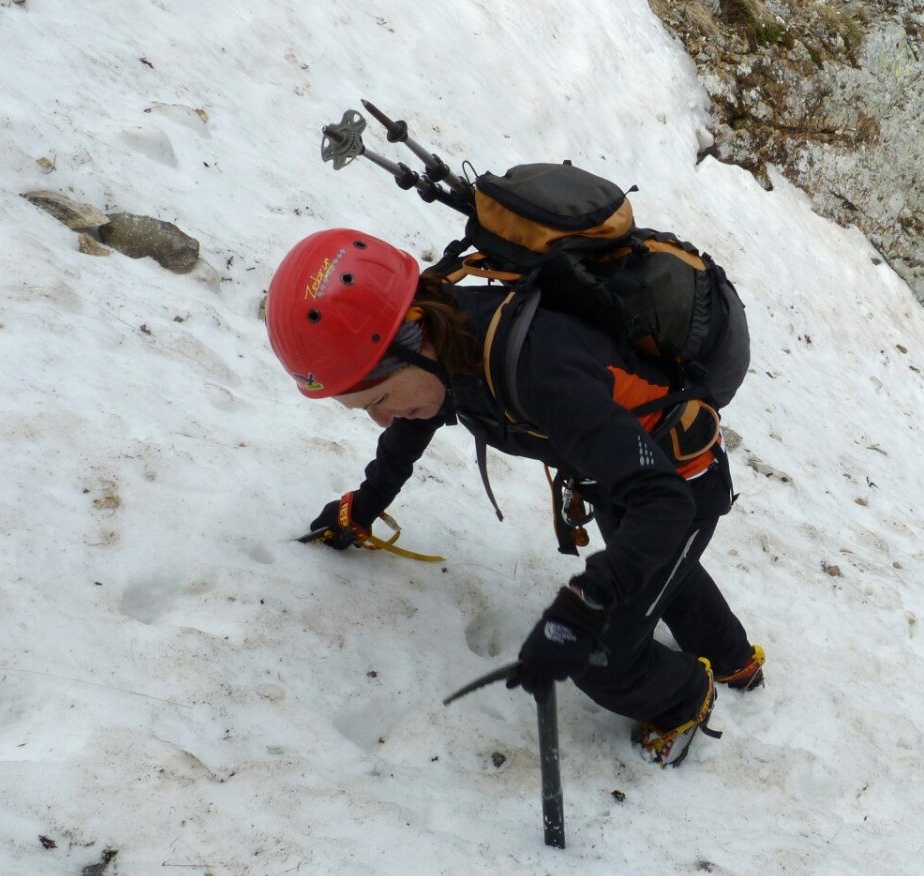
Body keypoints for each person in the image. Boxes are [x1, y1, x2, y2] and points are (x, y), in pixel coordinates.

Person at [265, 228, 764, 765]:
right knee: (656, 566)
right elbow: (417, 420)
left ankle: (688, 696)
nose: (382, 417)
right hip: (619, 469)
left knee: (602, 657)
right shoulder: (452, 338)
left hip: (679, 482)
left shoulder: (537, 369)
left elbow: (663, 504)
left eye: (380, 398)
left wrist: (583, 605)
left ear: (416, 338)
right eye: (365, 408)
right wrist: (363, 507)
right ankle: (735, 660)